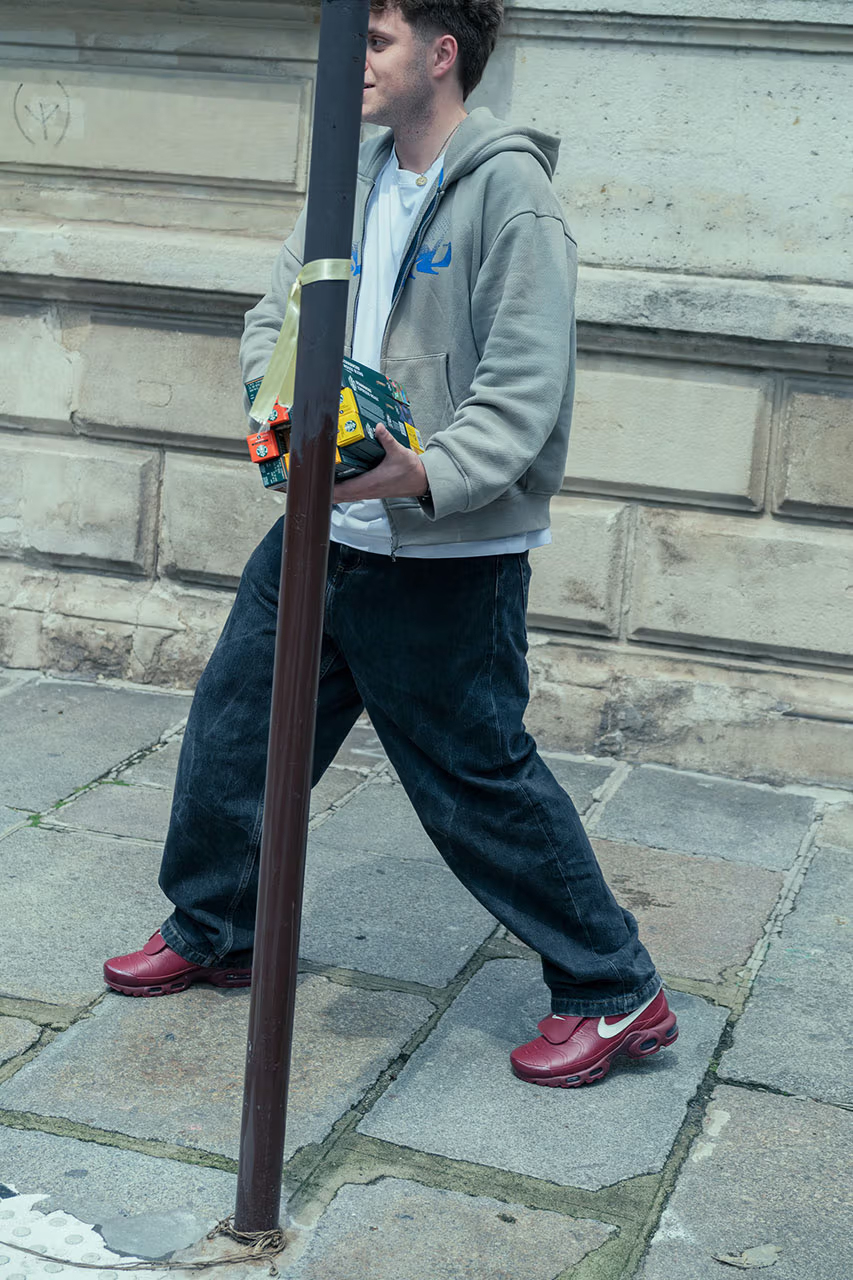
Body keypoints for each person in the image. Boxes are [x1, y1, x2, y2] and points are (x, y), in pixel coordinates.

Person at [105, 0, 678, 1089]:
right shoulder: (353, 174)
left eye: (372, 41)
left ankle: (613, 986)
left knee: (475, 779)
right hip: (322, 526)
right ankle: (216, 925)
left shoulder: (512, 194)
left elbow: (524, 388)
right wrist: (279, 406)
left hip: (441, 557)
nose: (349, 60)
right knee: (236, 730)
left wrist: (424, 473)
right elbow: (272, 314)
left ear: (442, 54)